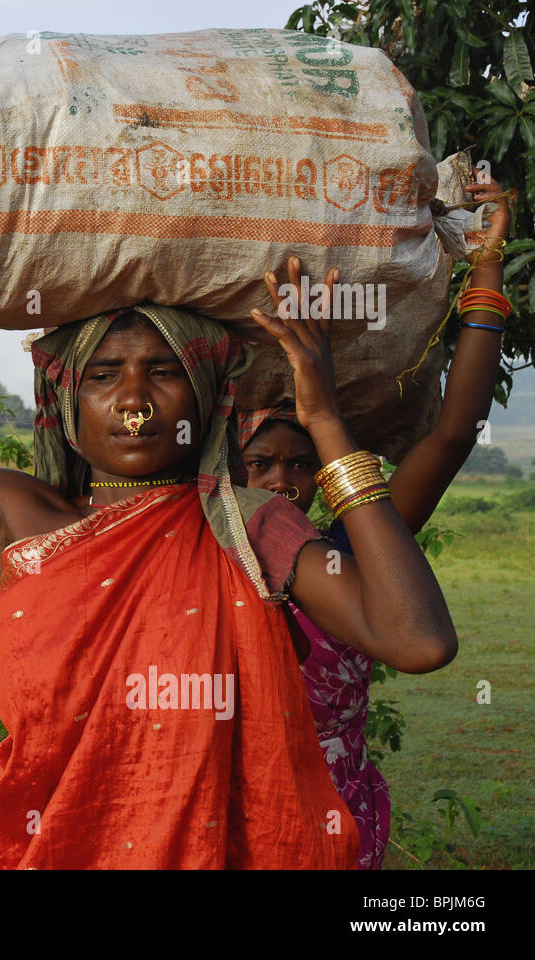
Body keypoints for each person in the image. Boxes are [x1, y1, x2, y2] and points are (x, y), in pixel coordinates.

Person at [0, 112, 459, 869]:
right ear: (68, 407)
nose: (134, 399)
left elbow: (417, 640)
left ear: (204, 401)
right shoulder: (17, 517)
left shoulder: (251, 526)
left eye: (164, 373)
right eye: (104, 376)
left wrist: (324, 420)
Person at [237, 177, 512, 869]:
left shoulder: (348, 556)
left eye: (303, 465)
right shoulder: (201, 559)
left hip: (337, 833)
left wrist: (486, 268)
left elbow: (452, 435)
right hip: (231, 831)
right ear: (229, 474)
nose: (283, 484)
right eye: (261, 465)